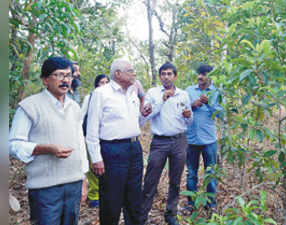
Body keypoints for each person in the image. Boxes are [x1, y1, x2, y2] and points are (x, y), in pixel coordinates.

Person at [9, 56, 89, 225]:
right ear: (45, 80)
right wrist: (44, 148)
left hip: (73, 183)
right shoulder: (30, 106)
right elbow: (13, 144)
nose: (65, 80)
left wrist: (83, 176)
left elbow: (79, 143)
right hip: (45, 187)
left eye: (68, 75)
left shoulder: (74, 107)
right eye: (59, 75)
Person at [86, 58, 146, 225]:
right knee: (111, 199)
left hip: (134, 148)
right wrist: (96, 158)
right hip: (112, 150)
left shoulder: (132, 93)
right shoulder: (101, 93)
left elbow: (136, 123)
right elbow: (91, 129)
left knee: (134, 196)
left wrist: (144, 113)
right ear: (118, 74)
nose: (134, 73)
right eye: (130, 70)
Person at [140, 62, 193, 225]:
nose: (166, 76)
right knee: (150, 180)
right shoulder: (153, 93)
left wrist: (188, 116)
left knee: (176, 180)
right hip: (159, 142)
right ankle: (141, 216)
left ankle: (171, 214)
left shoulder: (183, 94)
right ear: (160, 76)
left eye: (169, 73)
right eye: (163, 73)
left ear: (175, 76)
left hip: (179, 141)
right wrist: (162, 100)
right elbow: (144, 117)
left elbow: (190, 121)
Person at [184, 64, 224, 213]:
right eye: (198, 74)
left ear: (210, 76)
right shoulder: (189, 91)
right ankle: (190, 204)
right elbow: (181, 109)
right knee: (191, 173)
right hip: (191, 140)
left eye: (204, 74)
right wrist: (192, 105)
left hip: (209, 140)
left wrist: (209, 103)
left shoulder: (217, 92)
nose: (200, 77)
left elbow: (222, 115)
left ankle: (211, 204)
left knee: (210, 173)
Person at [80, 74, 110, 208]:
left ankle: (105, 193)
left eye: (106, 82)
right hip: (91, 136)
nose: (104, 85)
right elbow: (82, 117)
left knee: (105, 167)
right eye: (101, 82)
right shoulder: (90, 96)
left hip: (106, 138)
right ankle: (94, 196)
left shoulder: (113, 98)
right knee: (92, 167)